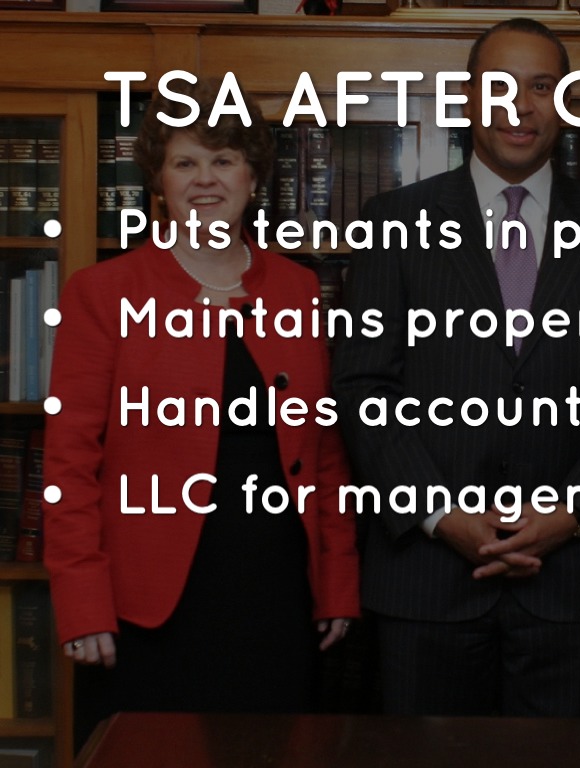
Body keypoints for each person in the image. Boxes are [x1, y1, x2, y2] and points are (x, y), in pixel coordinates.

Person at [333, 18, 580, 717]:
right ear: (466, 98)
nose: (520, 106)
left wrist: (572, 513)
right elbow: (365, 387)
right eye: (500, 86)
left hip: (570, 586)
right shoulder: (392, 221)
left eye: (541, 87)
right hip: (426, 582)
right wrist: (439, 515)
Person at [42, 77, 359, 746]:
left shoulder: (298, 287)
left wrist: (336, 585)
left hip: (277, 599)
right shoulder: (102, 292)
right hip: (146, 611)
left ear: (254, 175)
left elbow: (325, 455)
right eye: (185, 162)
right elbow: (68, 464)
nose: (205, 179)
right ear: (159, 181)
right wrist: (82, 603)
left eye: (223, 159)